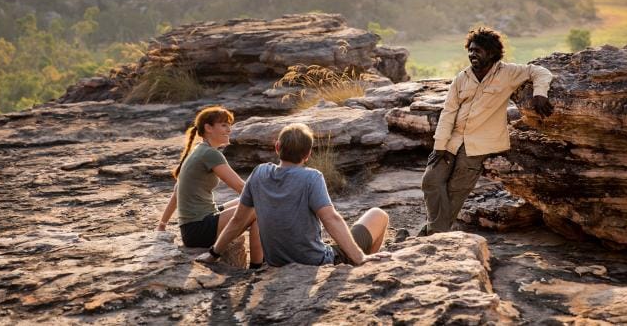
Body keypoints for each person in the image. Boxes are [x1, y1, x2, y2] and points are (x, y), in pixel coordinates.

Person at [420, 26, 554, 235]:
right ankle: (434, 232)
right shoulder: (461, 78)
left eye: (478, 51)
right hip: (452, 140)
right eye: (471, 50)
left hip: (479, 144)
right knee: (431, 181)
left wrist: (540, 93)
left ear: (491, 53)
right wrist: (439, 146)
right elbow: (448, 113)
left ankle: (432, 235)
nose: (472, 54)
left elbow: (539, 71)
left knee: (456, 190)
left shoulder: (508, 73)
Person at [197, 123, 389, 266]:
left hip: (277, 262)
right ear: (308, 154)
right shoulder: (312, 177)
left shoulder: (259, 173)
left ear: (277, 147)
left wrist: (214, 253)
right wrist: (359, 256)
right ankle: (362, 268)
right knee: (378, 215)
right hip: (315, 261)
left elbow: (238, 221)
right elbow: (331, 218)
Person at [157, 106, 263, 268]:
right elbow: (242, 187)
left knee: (249, 201)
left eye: (229, 125)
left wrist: (162, 224)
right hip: (199, 229)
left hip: (192, 227)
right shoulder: (210, 154)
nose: (229, 129)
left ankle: (258, 261)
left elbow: (177, 191)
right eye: (224, 125)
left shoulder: (198, 151)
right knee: (256, 208)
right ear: (208, 128)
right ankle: (257, 266)